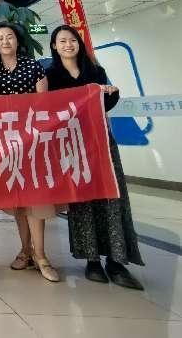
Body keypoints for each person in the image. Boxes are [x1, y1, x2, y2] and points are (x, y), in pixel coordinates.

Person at [46, 25, 144, 290]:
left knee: (112, 195)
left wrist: (112, 93)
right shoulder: (51, 76)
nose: (68, 45)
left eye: (72, 40)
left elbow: (104, 104)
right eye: (62, 41)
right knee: (82, 198)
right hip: (72, 144)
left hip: (101, 141)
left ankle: (117, 260)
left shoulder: (95, 71)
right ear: (54, 46)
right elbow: (49, 110)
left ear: (79, 43)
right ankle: (92, 260)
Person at [0, 22, 59, 282]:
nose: (5, 41)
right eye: (0, 38)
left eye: (9, 36)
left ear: (17, 40)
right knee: (18, 199)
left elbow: (44, 104)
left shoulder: (33, 66)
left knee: (36, 197)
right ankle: (25, 251)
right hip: (6, 143)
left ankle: (41, 255)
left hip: (33, 141)